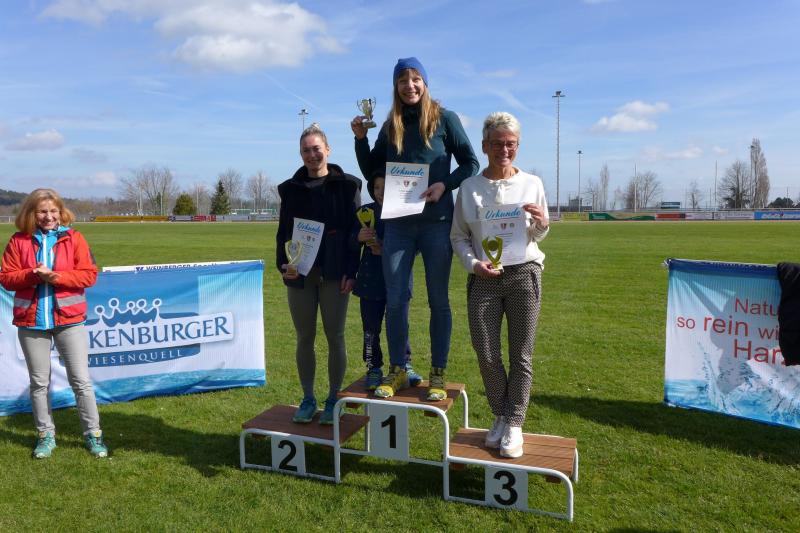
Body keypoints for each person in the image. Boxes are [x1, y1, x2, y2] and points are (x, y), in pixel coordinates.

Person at [351, 57, 479, 401]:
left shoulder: (445, 119)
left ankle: (438, 373)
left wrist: (444, 185)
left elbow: (470, 163)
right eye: (402, 80)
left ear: (425, 82)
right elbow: (372, 168)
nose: (409, 85)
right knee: (396, 300)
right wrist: (361, 140)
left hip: (437, 224)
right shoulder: (390, 125)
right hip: (398, 226)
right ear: (395, 86)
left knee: (439, 300)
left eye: (415, 79)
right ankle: (398, 369)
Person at [450, 112, 549, 458]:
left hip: (524, 273)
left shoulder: (532, 183)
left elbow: (537, 232)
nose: (504, 150)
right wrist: (473, 264)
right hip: (484, 278)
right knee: (487, 353)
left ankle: (515, 422)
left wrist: (542, 223)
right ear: (484, 146)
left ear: (517, 145)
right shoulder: (469, 188)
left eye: (510, 144)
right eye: (497, 144)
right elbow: (459, 237)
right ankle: (501, 415)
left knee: (521, 354)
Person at [0, 188, 108, 459]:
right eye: (42, 212)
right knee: (39, 383)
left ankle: (94, 435)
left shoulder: (75, 238)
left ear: (61, 212)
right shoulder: (18, 241)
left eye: (53, 211)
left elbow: (89, 275)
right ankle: (45, 436)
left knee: (81, 380)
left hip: (69, 321)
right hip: (31, 323)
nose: (48, 216)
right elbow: (7, 278)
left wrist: (56, 277)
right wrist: (33, 275)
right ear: (31, 214)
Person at [276, 123, 361, 425]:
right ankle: (308, 398)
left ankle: (334, 398)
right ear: (300, 154)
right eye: (306, 151)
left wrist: (351, 270)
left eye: (316, 149)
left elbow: (354, 232)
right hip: (300, 274)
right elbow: (283, 233)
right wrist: (283, 265)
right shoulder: (290, 189)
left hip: (335, 273)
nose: (312, 155)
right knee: (304, 337)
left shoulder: (348, 185)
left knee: (335, 336)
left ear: (328, 149)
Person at [350, 171, 419, 390]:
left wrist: (387, 248)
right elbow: (349, 242)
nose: (381, 192)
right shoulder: (364, 212)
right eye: (377, 187)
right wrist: (357, 237)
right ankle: (373, 368)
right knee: (370, 329)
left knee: (399, 324)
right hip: (370, 281)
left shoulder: (405, 213)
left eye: (386, 187)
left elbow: (417, 245)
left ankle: (404, 365)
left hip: (399, 278)